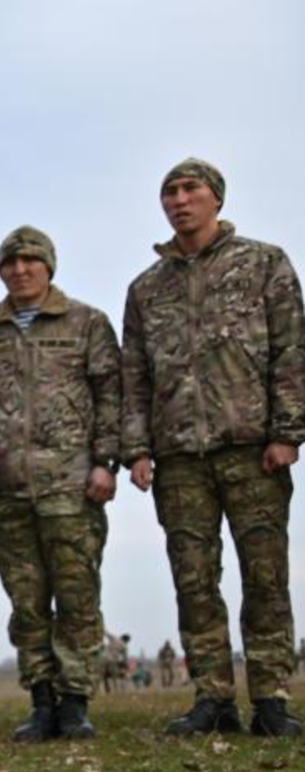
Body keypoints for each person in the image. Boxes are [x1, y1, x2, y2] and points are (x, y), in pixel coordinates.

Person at [122, 158, 305, 737]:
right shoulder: (147, 289)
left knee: (265, 575)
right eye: (170, 191)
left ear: (216, 199)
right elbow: (136, 377)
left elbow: (291, 352)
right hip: (178, 457)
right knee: (194, 579)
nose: (179, 200)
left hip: (251, 448)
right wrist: (138, 450)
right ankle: (212, 696)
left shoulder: (264, 264)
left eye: (190, 189)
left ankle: (271, 695)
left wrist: (287, 431)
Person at [0, 226, 121, 742]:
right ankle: (41, 700)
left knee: (76, 595)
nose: (20, 270)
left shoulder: (86, 323)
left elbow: (109, 396)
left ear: (49, 266)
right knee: (26, 602)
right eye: (10, 262)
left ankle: (75, 701)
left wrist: (106, 463)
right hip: (7, 490)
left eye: (30, 261)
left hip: (71, 486)